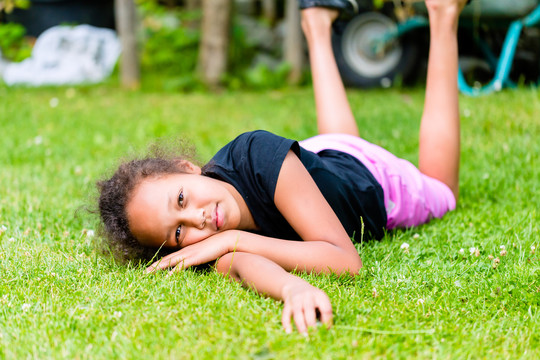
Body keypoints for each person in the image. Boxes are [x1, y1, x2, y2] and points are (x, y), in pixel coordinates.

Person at [97, 0, 468, 335]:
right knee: (335, 155)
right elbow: (247, 267)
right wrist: (293, 288)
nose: (198, 220)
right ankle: (317, 23)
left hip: (373, 180)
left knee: (444, 192)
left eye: (181, 199)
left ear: (187, 167)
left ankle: (442, 14)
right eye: (177, 233)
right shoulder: (208, 249)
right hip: (321, 163)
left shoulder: (255, 155)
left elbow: (345, 262)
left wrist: (231, 239)